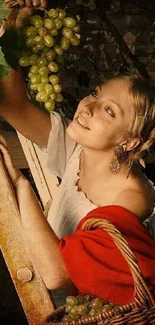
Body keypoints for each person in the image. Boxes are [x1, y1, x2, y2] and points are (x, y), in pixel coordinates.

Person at [0, 1, 155, 304]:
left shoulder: (132, 198)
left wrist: (21, 185)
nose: (88, 106)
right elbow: (11, 105)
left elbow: (58, 274)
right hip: (43, 295)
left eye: (108, 111)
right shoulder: (78, 146)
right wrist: (17, 25)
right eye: (96, 94)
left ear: (130, 142)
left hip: (82, 311)